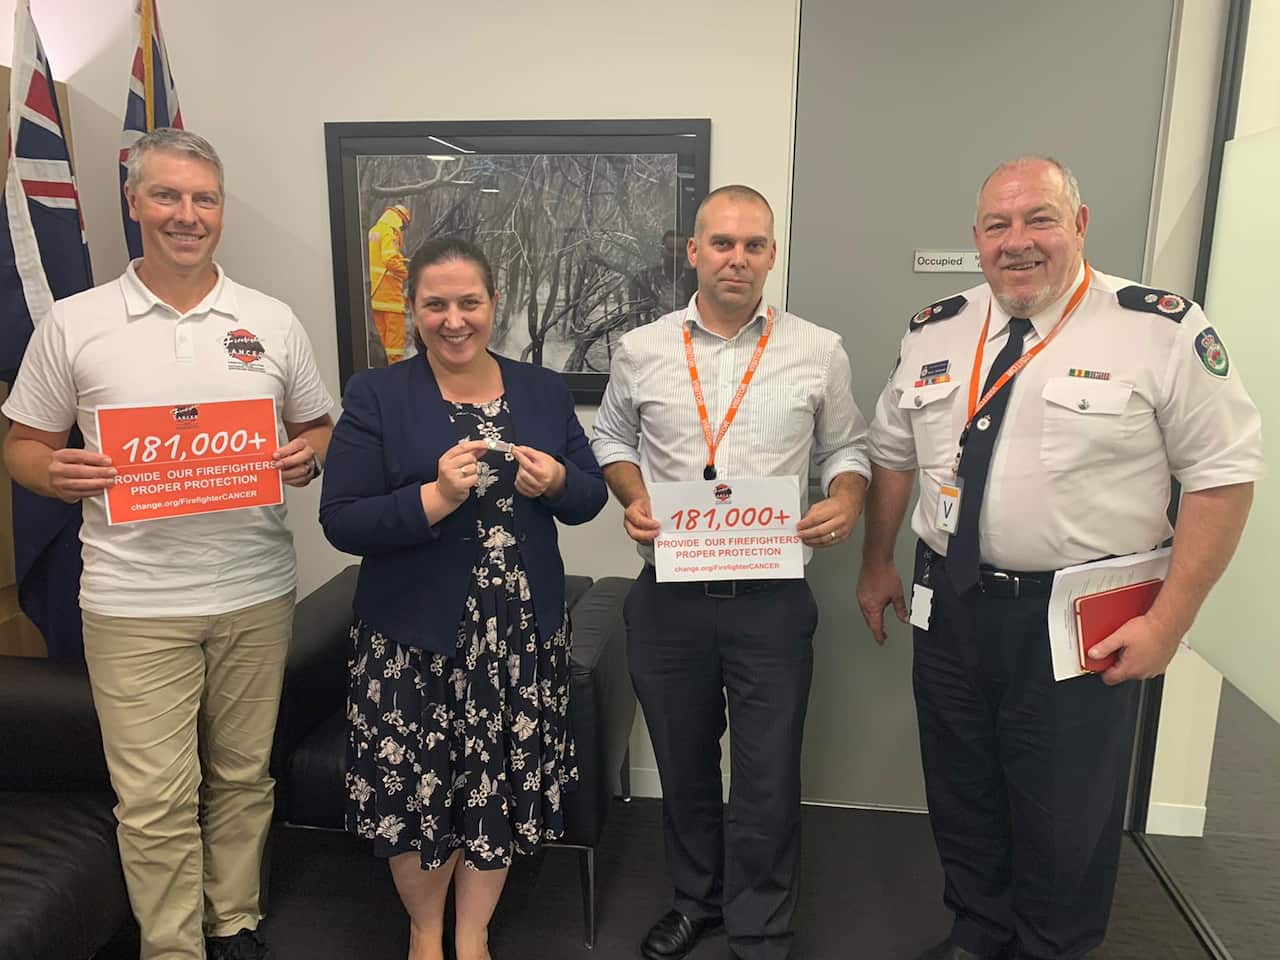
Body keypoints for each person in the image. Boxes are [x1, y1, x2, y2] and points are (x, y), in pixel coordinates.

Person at [856, 156, 1262, 960]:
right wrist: (877, 562)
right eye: (998, 226)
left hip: (1082, 618)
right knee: (962, 788)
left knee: (1065, 811)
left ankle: (1054, 948)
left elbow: (1222, 480)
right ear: (976, 239)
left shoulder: (1159, 327)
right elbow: (893, 455)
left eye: (1039, 218)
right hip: (952, 606)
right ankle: (978, 931)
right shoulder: (935, 327)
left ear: (1078, 225)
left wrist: (1170, 623)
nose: (1018, 242)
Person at [2, 127, 334, 960]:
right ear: (134, 202)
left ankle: (236, 923)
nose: (187, 215)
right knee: (152, 797)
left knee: (241, 778)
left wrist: (310, 453)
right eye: (168, 196)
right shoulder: (77, 323)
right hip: (131, 601)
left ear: (221, 210)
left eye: (204, 199)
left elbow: (318, 424)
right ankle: (173, 946)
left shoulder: (269, 320)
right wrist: (55, 473)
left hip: (255, 591)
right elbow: (22, 444)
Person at [592, 184, 871, 960]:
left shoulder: (818, 349)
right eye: (721, 243)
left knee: (767, 776)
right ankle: (696, 900)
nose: (736, 259)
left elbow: (847, 450)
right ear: (693, 251)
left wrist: (845, 500)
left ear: (772, 256)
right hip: (670, 598)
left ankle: (761, 925)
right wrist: (634, 494)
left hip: (772, 600)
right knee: (682, 766)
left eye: (753, 245)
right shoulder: (642, 348)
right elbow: (609, 438)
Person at [319, 237, 606, 960]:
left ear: (493, 304)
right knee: (415, 792)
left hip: (519, 638)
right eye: (436, 304)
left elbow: (592, 495)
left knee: (497, 783)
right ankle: (424, 932)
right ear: (413, 310)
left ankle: (473, 934)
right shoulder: (375, 394)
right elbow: (342, 519)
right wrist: (433, 498)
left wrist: (560, 486)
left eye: (468, 302)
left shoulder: (540, 390)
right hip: (412, 638)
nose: (454, 320)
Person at [369, 203, 413, 363]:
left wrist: (402, 260)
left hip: (376, 294)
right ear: (401, 220)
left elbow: (381, 259)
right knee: (394, 345)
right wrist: (407, 273)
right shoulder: (390, 231)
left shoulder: (374, 231)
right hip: (390, 295)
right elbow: (389, 260)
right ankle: (395, 373)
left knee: (381, 342)